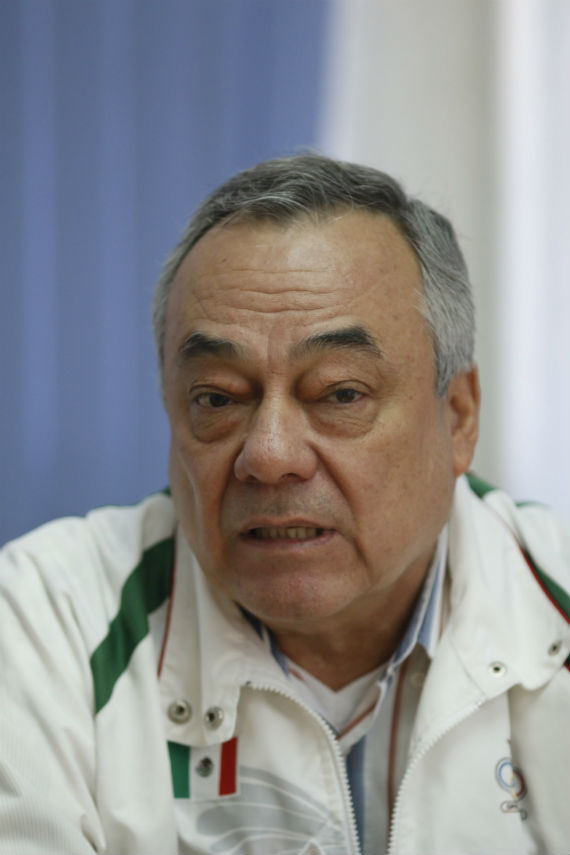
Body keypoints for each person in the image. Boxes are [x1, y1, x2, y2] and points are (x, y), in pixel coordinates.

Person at [1, 154, 569, 855]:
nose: (268, 455)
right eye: (216, 398)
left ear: (456, 417)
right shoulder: (39, 624)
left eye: (339, 393)